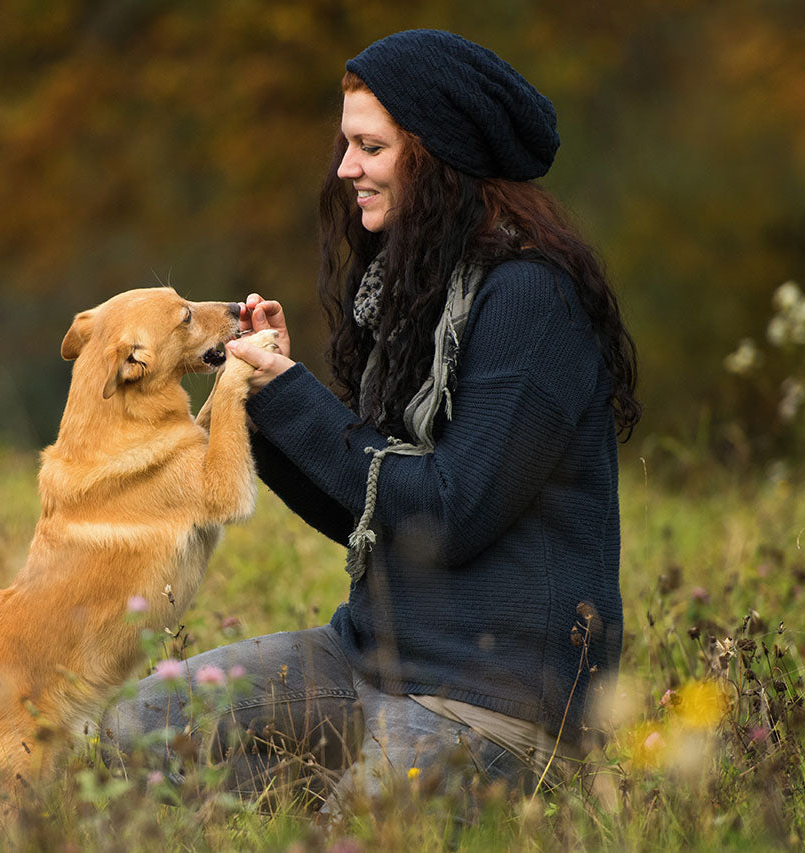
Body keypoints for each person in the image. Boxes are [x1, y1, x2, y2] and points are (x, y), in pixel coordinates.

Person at [105, 29, 640, 813]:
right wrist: (265, 397)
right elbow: (368, 513)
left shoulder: (529, 302)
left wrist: (294, 393)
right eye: (346, 144)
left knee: (357, 830)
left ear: (436, 155)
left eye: (370, 146)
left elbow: (448, 513)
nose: (345, 167)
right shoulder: (421, 289)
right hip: (370, 663)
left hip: (491, 699)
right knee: (137, 729)